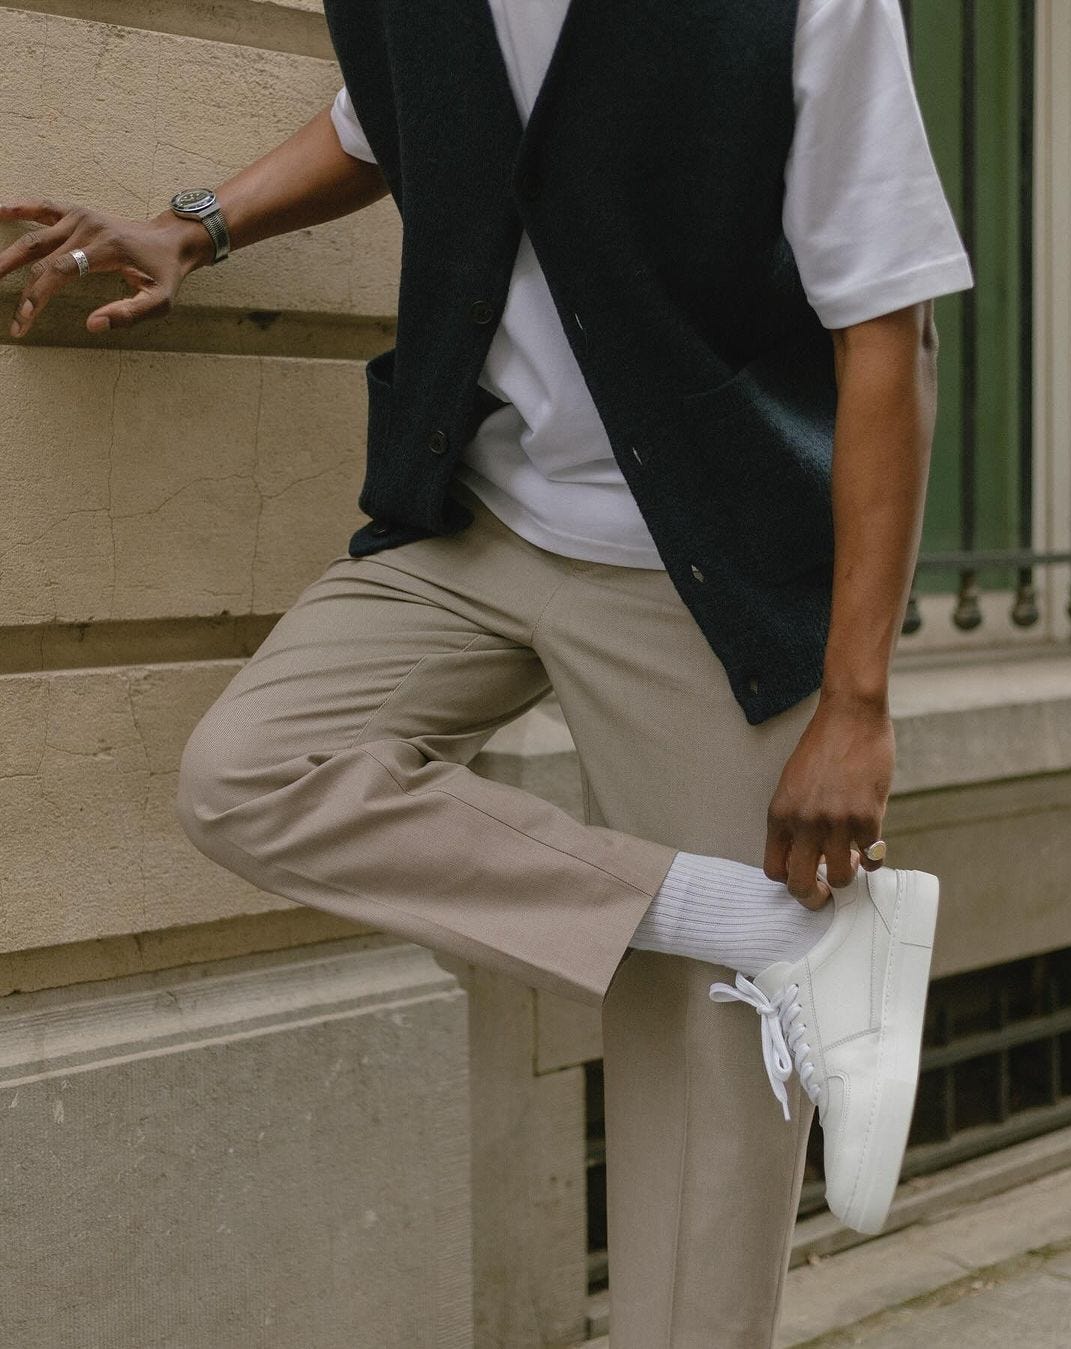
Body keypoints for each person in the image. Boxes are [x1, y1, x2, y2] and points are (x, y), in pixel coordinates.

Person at [1, 0, 973, 1343]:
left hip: (704, 558)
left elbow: (889, 334)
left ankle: (754, 946)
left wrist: (856, 706)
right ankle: (761, 927)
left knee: (706, 1127)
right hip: (480, 521)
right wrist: (199, 222)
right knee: (247, 768)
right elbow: (386, 120)